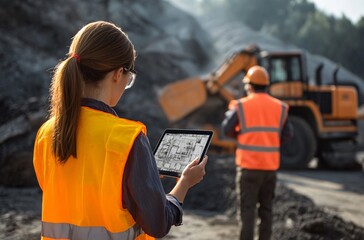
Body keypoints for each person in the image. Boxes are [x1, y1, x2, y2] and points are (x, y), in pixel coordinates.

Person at [33, 21, 208, 240]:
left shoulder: (47, 133)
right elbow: (158, 223)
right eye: (129, 78)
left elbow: (79, 191)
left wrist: (145, 176)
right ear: (118, 74)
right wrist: (184, 183)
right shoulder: (126, 139)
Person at [221, 66, 293, 240]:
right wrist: (270, 141)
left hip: (248, 167)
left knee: (247, 210)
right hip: (270, 168)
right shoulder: (280, 107)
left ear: (249, 86)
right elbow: (288, 134)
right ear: (266, 85)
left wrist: (243, 135)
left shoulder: (241, 106)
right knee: (266, 210)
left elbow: (226, 129)